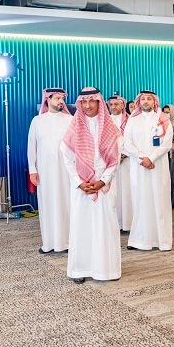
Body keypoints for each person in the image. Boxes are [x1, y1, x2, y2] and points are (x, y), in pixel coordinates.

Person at [60, 87, 123, 283]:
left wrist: (103, 180)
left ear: (98, 102)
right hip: (82, 186)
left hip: (104, 185)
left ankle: (106, 270)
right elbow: (67, 158)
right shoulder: (74, 127)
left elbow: (115, 159)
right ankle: (80, 269)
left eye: (92, 101)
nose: (88, 106)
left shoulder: (111, 127)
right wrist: (79, 182)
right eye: (84, 102)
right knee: (82, 226)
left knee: (105, 226)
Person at [124, 90, 174, 251]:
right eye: (143, 99)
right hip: (139, 167)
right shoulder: (133, 120)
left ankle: (162, 241)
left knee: (159, 201)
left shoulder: (163, 120)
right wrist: (142, 158)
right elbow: (127, 143)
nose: (145, 101)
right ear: (139, 102)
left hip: (158, 167)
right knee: (140, 201)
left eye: (149, 99)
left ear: (155, 102)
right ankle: (139, 240)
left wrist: (151, 158)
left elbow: (167, 144)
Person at [27, 88, 73, 254]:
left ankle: (67, 242)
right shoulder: (37, 121)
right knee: (47, 204)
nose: (60, 101)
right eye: (57, 98)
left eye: (62, 98)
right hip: (44, 171)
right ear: (47, 99)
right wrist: (32, 169)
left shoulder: (70, 120)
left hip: (66, 170)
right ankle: (48, 243)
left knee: (66, 203)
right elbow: (31, 146)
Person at [108, 93, 132, 232]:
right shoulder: (105, 120)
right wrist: (114, 155)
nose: (113, 107)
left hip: (127, 161)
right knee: (113, 192)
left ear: (123, 105)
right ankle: (114, 224)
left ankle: (127, 224)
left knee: (127, 191)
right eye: (111, 104)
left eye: (116, 104)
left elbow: (133, 139)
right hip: (110, 162)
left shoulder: (130, 120)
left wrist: (124, 154)